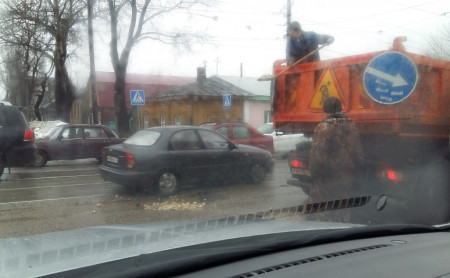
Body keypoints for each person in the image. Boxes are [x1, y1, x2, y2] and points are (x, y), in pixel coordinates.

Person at [308, 96, 364, 221]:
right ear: (340, 108)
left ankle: (323, 233)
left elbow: (317, 156)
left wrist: (314, 174)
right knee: (342, 206)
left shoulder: (324, 127)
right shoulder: (351, 125)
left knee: (321, 210)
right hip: (346, 176)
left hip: (327, 178)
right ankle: (341, 231)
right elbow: (359, 153)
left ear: (325, 109)